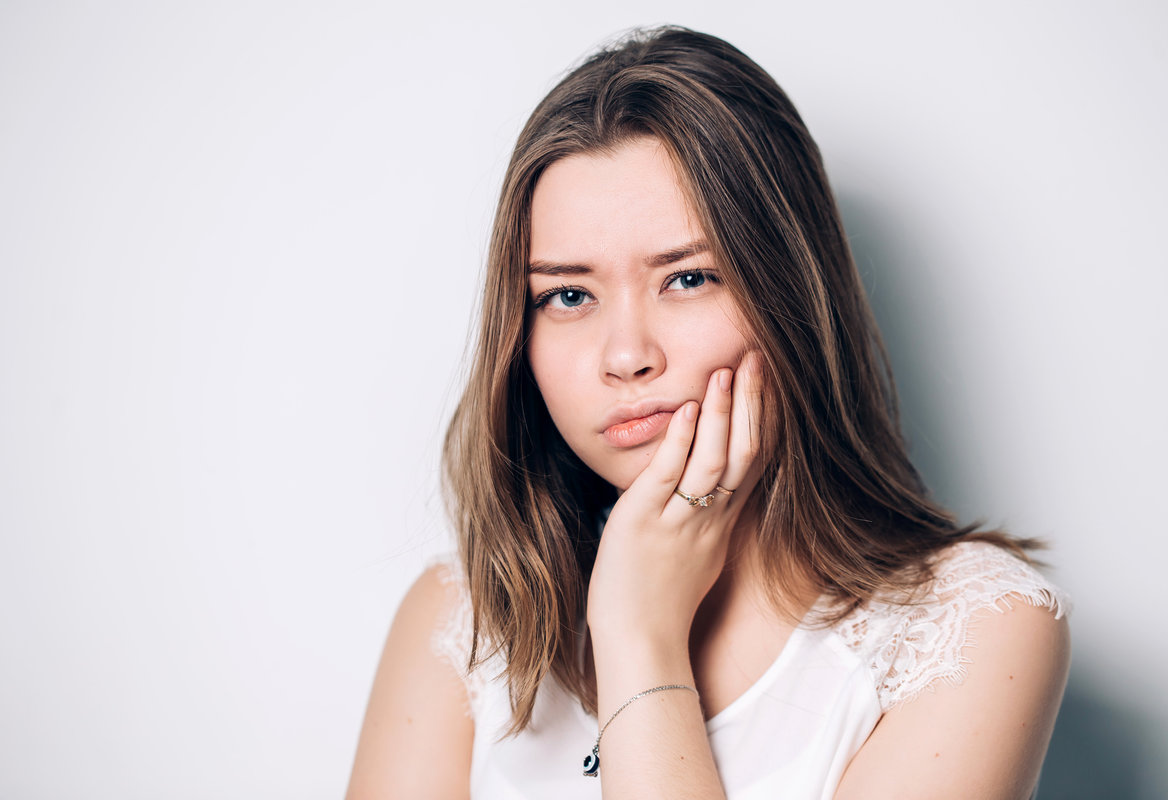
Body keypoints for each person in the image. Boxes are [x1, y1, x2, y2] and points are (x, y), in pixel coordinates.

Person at [347, 26, 1070, 800]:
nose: (625, 356)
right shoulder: (460, 621)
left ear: (790, 292)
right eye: (567, 295)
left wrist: (639, 635)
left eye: (687, 280)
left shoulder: (977, 626)